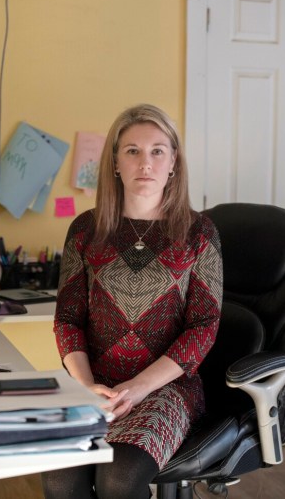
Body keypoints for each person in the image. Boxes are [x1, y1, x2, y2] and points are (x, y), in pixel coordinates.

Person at [42, 104, 223, 499]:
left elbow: (204, 328)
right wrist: (87, 385)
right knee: (58, 476)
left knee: (119, 477)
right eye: (133, 151)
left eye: (158, 150)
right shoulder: (86, 229)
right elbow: (67, 320)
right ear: (115, 162)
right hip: (95, 385)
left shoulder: (199, 232)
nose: (146, 162)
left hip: (166, 389)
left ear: (174, 161)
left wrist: (139, 387)